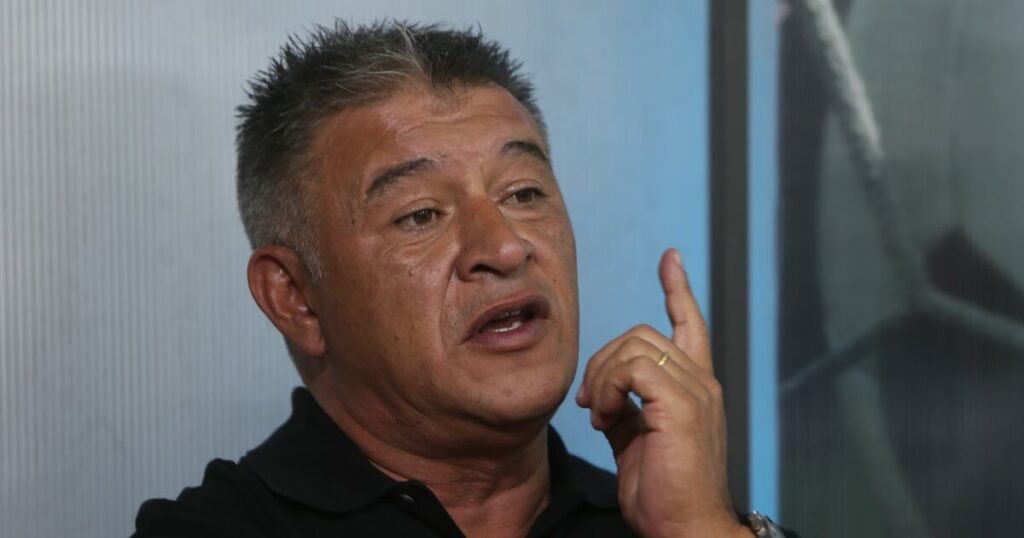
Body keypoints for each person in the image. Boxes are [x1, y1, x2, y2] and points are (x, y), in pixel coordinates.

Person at [133, 20, 792, 538]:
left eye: (524, 194)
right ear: (296, 298)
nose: (504, 247)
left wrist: (701, 529)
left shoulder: (662, 517)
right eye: (422, 214)